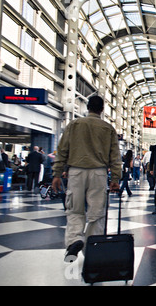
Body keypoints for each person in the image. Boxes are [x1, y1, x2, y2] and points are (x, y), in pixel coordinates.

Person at [52, 95, 121, 263]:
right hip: (98, 173)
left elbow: (62, 150)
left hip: (76, 172)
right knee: (96, 213)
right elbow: (115, 156)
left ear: (87, 107)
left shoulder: (74, 125)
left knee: (75, 209)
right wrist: (116, 179)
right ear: (102, 110)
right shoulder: (108, 128)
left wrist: (56, 173)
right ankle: (92, 247)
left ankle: (75, 239)